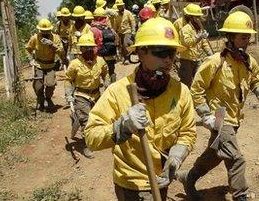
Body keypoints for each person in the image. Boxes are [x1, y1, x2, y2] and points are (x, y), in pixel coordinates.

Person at [84, 17, 197, 201]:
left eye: (173, 52)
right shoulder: (118, 92)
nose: (168, 59)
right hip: (131, 185)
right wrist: (123, 126)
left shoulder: (180, 91)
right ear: (141, 52)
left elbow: (187, 132)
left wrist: (175, 159)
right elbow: (91, 137)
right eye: (161, 52)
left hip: (162, 179)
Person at [177, 11, 259, 201]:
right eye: (243, 37)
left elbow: (255, 81)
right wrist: (205, 114)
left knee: (215, 156)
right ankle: (241, 195)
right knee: (236, 159)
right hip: (220, 120)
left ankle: (189, 177)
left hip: (235, 119)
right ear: (230, 37)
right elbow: (196, 89)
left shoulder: (249, 62)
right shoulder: (215, 62)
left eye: (248, 37)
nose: (247, 41)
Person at [65, 33, 108, 159]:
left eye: (91, 47)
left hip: (96, 95)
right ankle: (87, 145)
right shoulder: (74, 64)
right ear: (81, 49)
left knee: (98, 118)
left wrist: (107, 85)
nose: (89, 50)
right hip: (81, 95)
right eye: (85, 48)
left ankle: (98, 138)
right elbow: (68, 80)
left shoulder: (100, 61)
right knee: (86, 121)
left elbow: (106, 74)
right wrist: (68, 95)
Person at [25, 19, 65, 112]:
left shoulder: (55, 38)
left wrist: (52, 45)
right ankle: (41, 103)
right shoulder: (35, 38)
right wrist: (30, 59)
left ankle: (48, 98)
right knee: (38, 87)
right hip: (39, 65)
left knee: (50, 84)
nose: (45, 34)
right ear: (40, 31)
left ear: (50, 31)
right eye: (43, 32)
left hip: (50, 65)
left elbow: (61, 52)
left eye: (47, 32)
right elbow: (28, 49)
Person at [178, 3, 213, 87]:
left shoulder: (199, 29)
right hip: (187, 61)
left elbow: (204, 43)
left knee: (199, 81)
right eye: (196, 17)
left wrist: (210, 54)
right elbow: (187, 43)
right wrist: (199, 38)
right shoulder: (185, 29)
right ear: (190, 17)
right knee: (186, 83)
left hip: (197, 59)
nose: (198, 19)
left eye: (199, 17)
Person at [91, 7, 119, 83]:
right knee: (111, 72)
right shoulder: (109, 28)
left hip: (100, 55)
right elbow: (117, 40)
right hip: (110, 55)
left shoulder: (93, 29)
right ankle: (113, 86)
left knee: (102, 74)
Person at [113, 0, 136, 65]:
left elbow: (132, 21)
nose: (119, 7)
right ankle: (125, 58)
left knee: (126, 44)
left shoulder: (128, 13)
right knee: (121, 46)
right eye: (118, 6)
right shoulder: (116, 14)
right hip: (120, 32)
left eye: (120, 6)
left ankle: (127, 59)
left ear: (123, 6)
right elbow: (115, 23)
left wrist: (133, 30)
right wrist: (115, 32)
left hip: (127, 31)